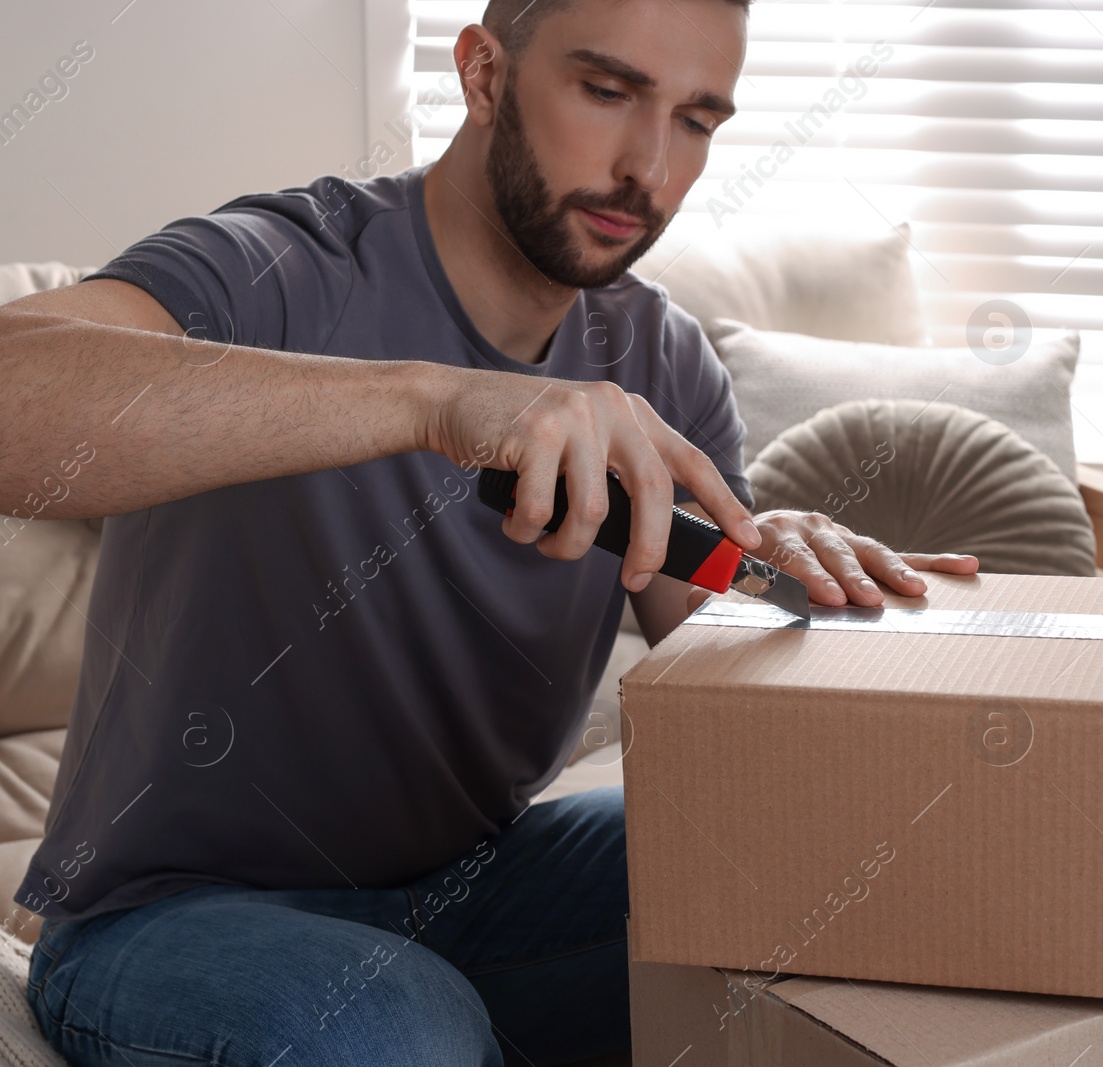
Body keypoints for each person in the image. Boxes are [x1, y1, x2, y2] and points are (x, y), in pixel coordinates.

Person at [0, 0, 979, 1063]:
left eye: (696, 120)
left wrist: (776, 563)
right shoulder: (281, 264)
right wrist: (435, 403)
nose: (648, 166)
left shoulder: (663, 363)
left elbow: (709, 634)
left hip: (484, 888)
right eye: (607, 91)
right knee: (395, 1026)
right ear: (482, 75)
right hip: (167, 917)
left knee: (843, 879)